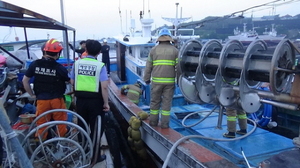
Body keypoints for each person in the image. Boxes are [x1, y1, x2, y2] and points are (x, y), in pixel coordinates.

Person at [70, 39, 110, 162]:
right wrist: (106, 103)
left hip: (80, 101)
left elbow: (72, 81)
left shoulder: (77, 64)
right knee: (96, 128)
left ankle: (84, 152)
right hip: (96, 102)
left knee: (82, 126)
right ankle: (95, 156)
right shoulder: (100, 66)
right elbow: (104, 86)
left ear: (85, 50)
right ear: (99, 52)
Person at [22, 38, 69, 140]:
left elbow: (25, 81)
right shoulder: (59, 68)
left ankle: (41, 146)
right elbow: (71, 81)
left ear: (44, 51)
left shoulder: (35, 64)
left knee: (41, 123)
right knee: (60, 123)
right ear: (58, 53)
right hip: (57, 100)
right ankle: (60, 144)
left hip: (42, 100)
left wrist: (32, 95)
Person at [143, 28, 178, 129]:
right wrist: (179, 80)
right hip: (170, 82)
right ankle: (165, 125)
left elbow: (148, 66)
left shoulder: (153, 50)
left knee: (155, 102)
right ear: (169, 38)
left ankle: (153, 123)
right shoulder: (175, 51)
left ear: (160, 38)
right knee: (166, 104)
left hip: (156, 82)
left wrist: (146, 79)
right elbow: (179, 67)